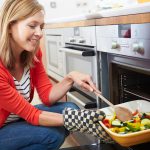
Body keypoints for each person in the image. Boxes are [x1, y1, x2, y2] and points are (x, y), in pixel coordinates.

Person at [0, 0, 113, 150]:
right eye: (32, 26)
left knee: (70, 108)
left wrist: (70, 78)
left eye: (41, 27)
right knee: (52, 136)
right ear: (9, 26)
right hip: (3, 128)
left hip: (17, 118)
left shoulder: (32, 54)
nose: (40, 33)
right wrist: (80, 121)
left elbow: (47, 96)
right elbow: (32, 114)